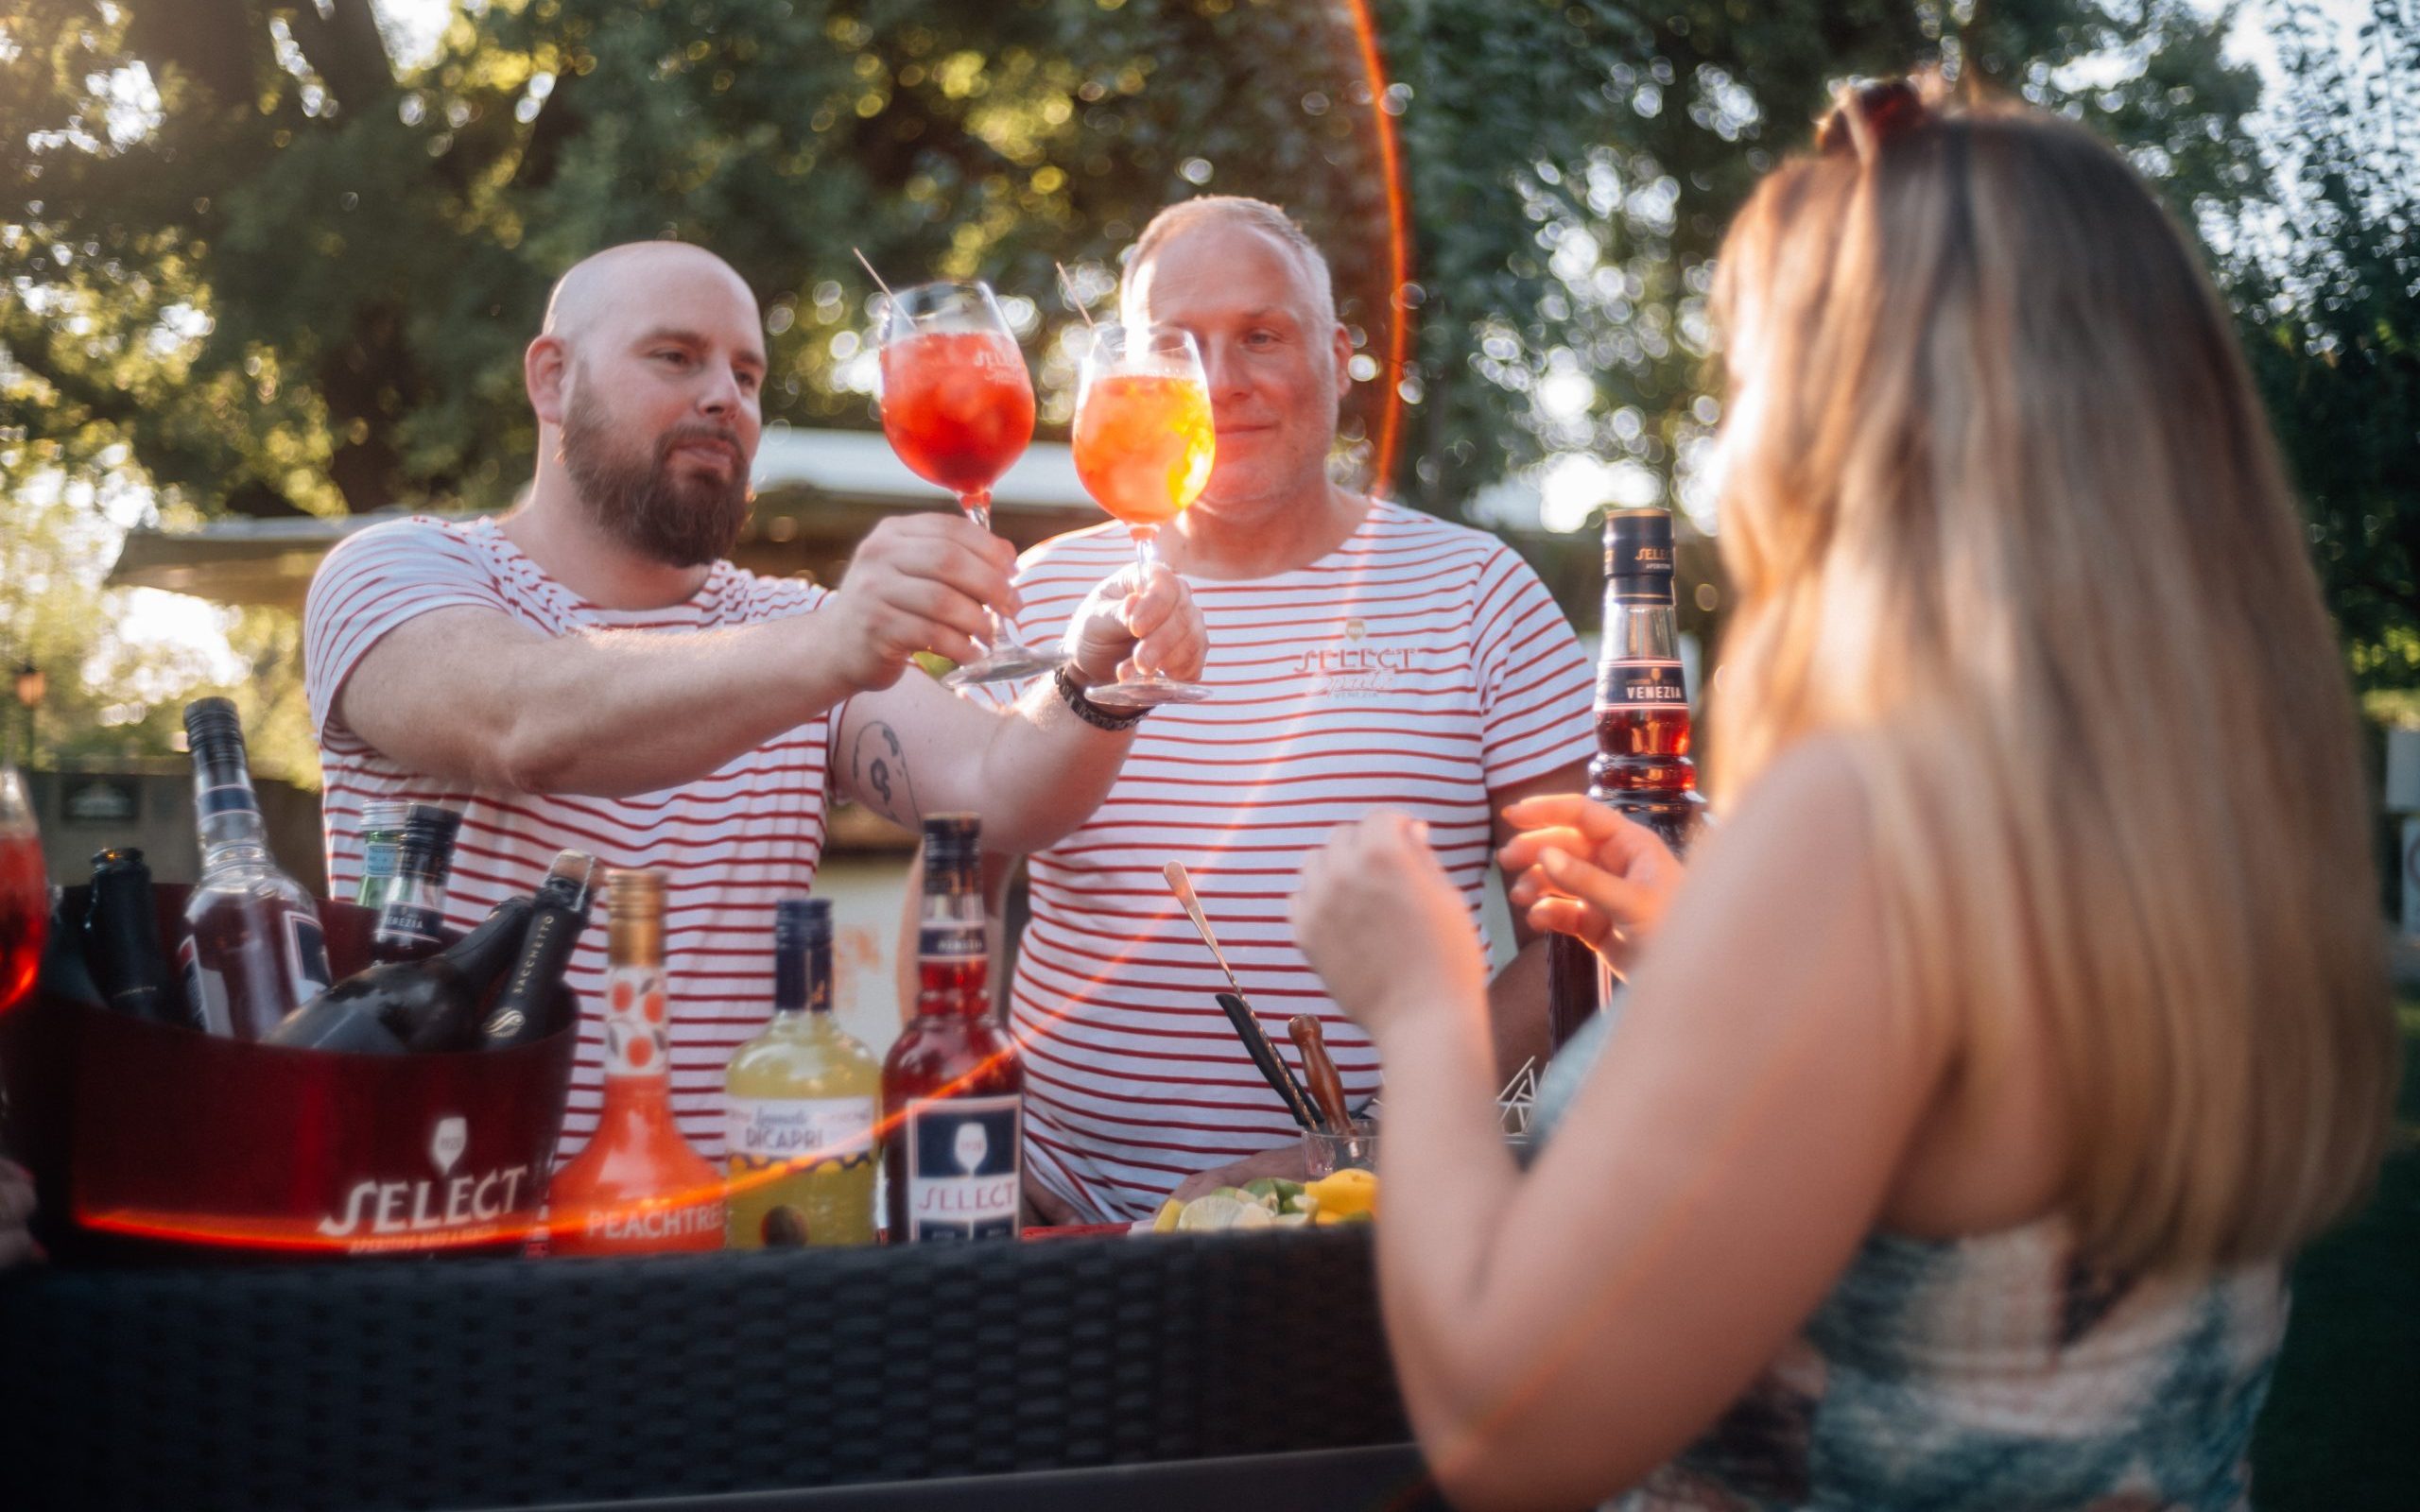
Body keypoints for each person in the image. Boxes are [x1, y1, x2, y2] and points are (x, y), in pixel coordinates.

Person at [1288, 76, 2395, 1511]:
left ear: (1862, 424)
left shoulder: (1862, 820)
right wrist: (1707, 961)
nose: (1740, 446)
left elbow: (1510, 1430)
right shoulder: (2219, 814)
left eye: (1753, 382)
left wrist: (1424, 1004)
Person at [303, 241, 1204, 1162]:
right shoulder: (399, 571)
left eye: (745, 372)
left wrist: (1089, 684)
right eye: (675, 357)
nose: (722, 397)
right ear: (552, 377)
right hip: (437, 1228)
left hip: (730, 1260)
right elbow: (521, 722)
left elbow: (1002, 791)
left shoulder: (788, 627)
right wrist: (834, 642)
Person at [968, 198, 1593, 1224]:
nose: (1218, 385)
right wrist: (973, 1136)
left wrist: (1366, 1152)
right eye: (1176, 348)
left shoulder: (1478, 592)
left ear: (1340, 352)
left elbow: (1574, 943)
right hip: (1064, 1232)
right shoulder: (1034, 597)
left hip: (1372, 1228)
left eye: (1261, 336)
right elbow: (958, 877)